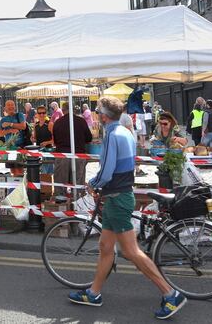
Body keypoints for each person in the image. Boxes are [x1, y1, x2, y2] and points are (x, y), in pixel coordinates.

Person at [69, 96, 187, 319]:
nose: (95, 115)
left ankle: (171, 294)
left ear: (103, 116)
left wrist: (93, 184)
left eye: (97, 111)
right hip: (119, 196)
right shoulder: (125, 131)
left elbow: (107, 170)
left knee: (131, 252)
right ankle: (94, 293)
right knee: (106, 247)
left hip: (118, 198)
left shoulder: (112, 135)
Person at [52, 101, 92, 191]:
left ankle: (61, 204)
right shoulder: (81, 121)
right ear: (73, 110)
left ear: (63, 110)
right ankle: (77, 203)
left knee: (60, 188)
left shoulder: (57, 123)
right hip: (78, 156)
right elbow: (89, 138)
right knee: (78, 187)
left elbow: (55, 141)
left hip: (62, 156)